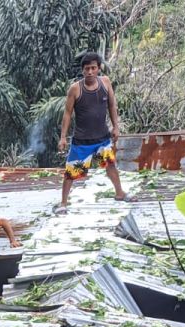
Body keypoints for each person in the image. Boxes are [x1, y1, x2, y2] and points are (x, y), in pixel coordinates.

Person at [57, 51, 127, 210]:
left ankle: (120, 193)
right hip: (82, 141)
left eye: (93, 68)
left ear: (99, 69)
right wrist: (63, 137)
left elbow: (111, 105)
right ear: (82, 70)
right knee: (71, 172)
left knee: (110, 165)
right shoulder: (75, 89)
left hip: (102, 138)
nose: (90, 72)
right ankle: (63, 203)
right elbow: (67, 114)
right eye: (87, 68)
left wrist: (116, 127)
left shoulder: (105, 83)